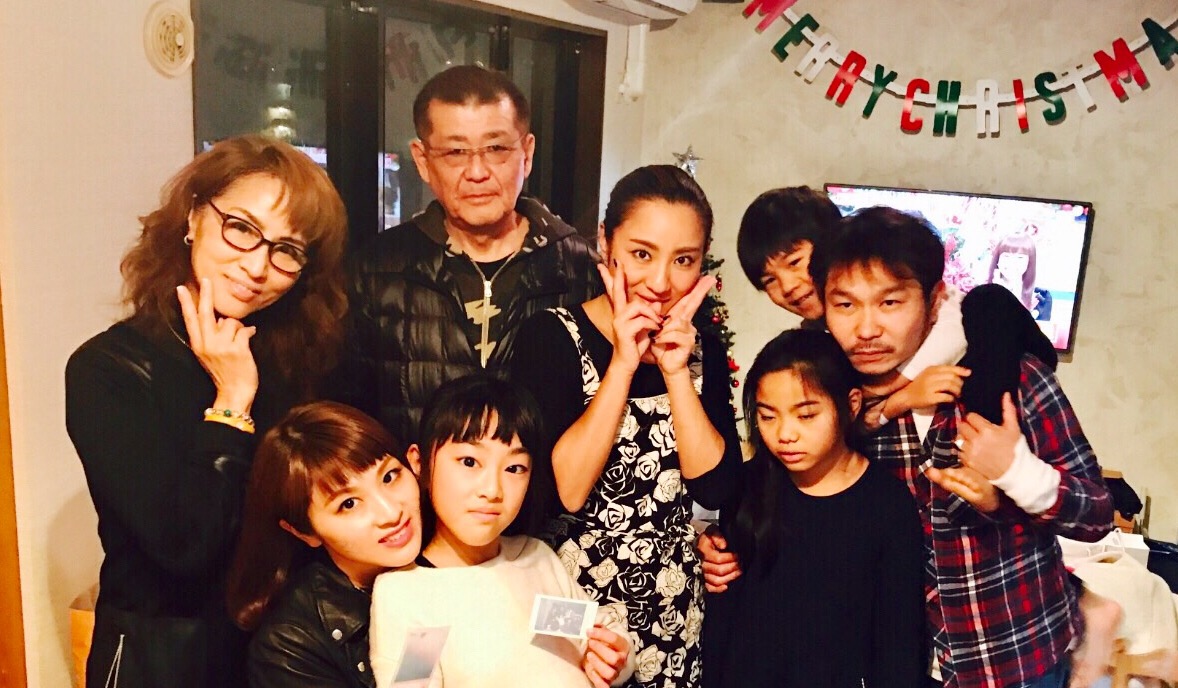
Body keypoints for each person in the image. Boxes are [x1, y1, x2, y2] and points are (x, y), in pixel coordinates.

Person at [64, 134, 349, 688]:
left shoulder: (299, 361)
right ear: (194, 216)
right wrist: (232, 402)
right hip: (162, 658)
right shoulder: (108, 369)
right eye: (241, 228)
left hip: (279, 649)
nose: (257, 266)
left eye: (287, 250)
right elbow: (183, 548)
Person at [810, 206, 1113, 688]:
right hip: (898, 663)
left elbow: (1097, 516)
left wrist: (1018, 473)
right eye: (845, 305)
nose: (866, 329)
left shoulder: (1012, 378)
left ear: (934, 301)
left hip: (1014, 656)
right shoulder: (835, 403)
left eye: (890, 302)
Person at [510, 165, 743, 687]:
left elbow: (714, 488)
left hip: (672, 612)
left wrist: (677, 372)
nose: (660, 283)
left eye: (683, 260)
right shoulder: (552, 336)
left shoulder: (701, 348)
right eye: (642, 254)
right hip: (571, 608)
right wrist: (622, 363)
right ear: (605, 243)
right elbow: (566, 490)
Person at [342, 64, 601, 442]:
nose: (477, 172)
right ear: (423, 160)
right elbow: (349, 423)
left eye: (496, 149)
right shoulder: (375, 270)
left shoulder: (583, 271)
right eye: (455, 152)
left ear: (527, 153)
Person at [368, 375, 634, 688]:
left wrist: (613, 658)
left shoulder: (531, 560)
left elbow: (593, 633)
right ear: (420, 462)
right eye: (469, 461)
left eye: (514, 468)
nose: (492, 490)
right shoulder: (416, 594)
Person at [703, 329, 924, 688]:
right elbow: (723, 620)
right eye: (768, 416)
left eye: (805, 415)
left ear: (851, 404)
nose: (785, 434)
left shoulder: (886, 504)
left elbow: (899, 643)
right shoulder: (748, 485)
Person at [227, 401, 423, 688]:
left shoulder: (450, 542)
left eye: (389, 477)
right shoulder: (291, 646)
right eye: (349, 504)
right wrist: (426, 631)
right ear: (304, 532)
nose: (391, 513)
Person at [987, 229, 1038, 310]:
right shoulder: (980, 290)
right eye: (1006, 256)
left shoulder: (1039, 299)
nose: (1012, 263)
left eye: (1020, 257)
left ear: (1030, 262)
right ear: (997, 259)